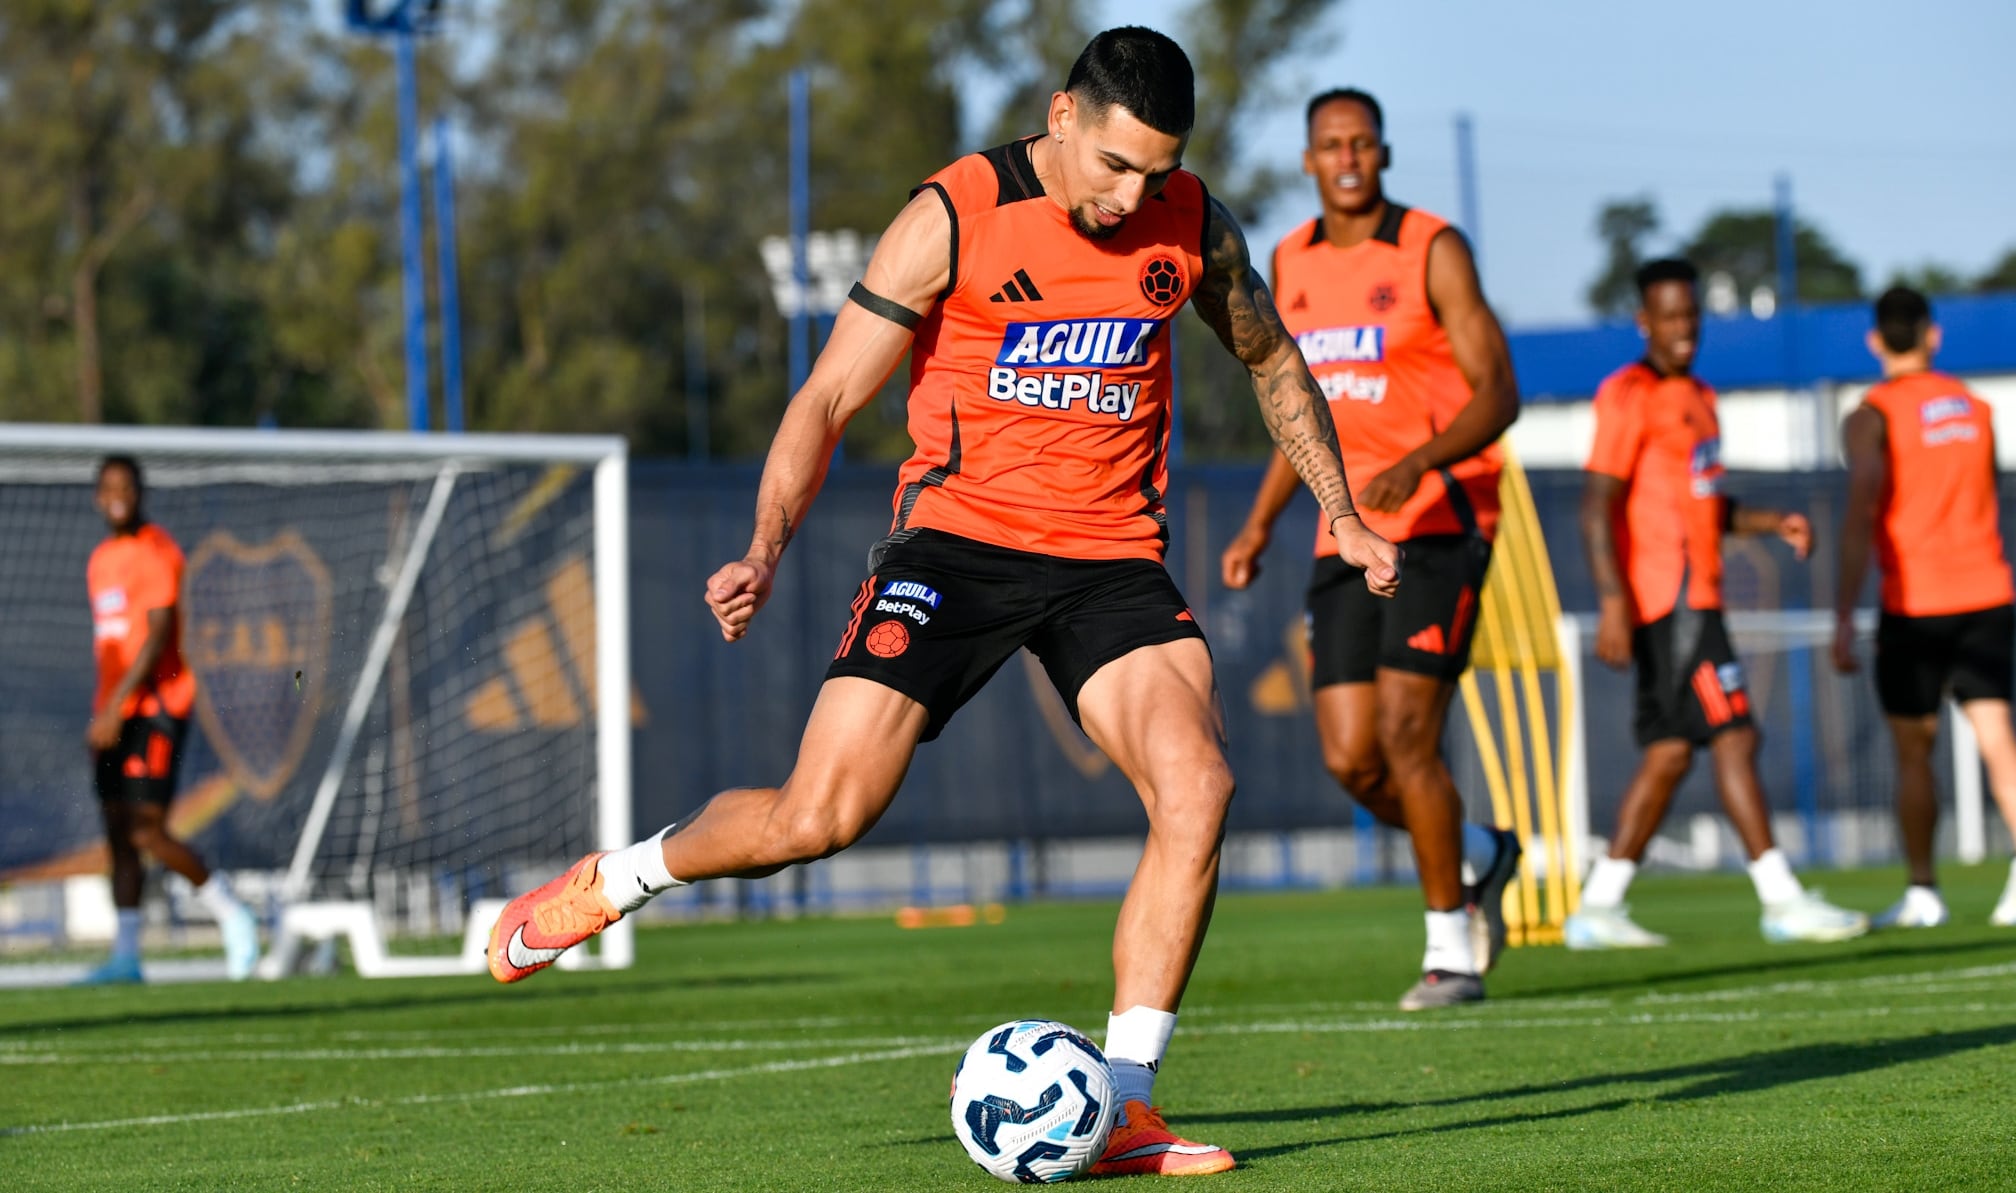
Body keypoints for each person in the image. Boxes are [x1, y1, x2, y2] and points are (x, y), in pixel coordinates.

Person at [488, 28, 1400, 1178]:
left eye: (1156, 172)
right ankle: (614, 878)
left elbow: (1271, 361)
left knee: (1198, 785)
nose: (1133, 196)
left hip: (1110, 558)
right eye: (1115, 166)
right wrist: (764, 547)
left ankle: (1122, 1105)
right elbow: (825, 396)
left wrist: (1345, 513)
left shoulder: (1190, 221)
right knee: (816, 818)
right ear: (1061, 116)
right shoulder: (955, 214)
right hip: (954, 547)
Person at [1217, 88, 1522, 1010]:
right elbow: (1298, 408)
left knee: (1405, 733)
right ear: (1309, 161)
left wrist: (1420, 461)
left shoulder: (1431, 247)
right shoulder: (1290, 260)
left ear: (1382, 153)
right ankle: (1481, 851)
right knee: (1352, 758)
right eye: (1329, 145)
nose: (1347, 157)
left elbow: (1498, 392)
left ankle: (1450, 948)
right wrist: (1263, 522)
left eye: (1361, 143)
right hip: (1341, 532)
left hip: (1438, 522)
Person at [1563, 259, 1867, 949]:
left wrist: (1769, 522)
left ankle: (1598, 906)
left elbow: (1701, 502)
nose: (1682, 329)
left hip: (1699, 596)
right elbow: (1595, 506)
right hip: (1668, 602)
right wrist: (1612, 602)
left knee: (1672, 752)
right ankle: (1782, 897)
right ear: (1644, 322)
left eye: (1690, 316)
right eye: (1668, 317)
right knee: (1735, 734)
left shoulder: (1701, 395)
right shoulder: (1628, 393)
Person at [1833, 286, 2016, 928]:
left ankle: (1924, 891)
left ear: (1875, 341)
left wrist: (1844, 611)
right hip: (1987, 591)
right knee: (1996, 730)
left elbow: (1863, 508)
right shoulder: (1976, 408)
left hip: (1916, 601)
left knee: (1913, 751)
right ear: (1933, 334)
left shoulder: (1871, 414)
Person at [79, 455, 260, 985]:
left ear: (140, 493)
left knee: (147, 831)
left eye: (126, 487)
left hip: (155, 709)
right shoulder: (99, 560)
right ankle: (127, 956)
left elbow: (157, 635)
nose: (117, 496)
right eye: (108, 487)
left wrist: (117, 707)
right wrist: (104, 711)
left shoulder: (158, 552)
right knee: (117, 834)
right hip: (112, 715)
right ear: (97, 496)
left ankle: (232, 913)